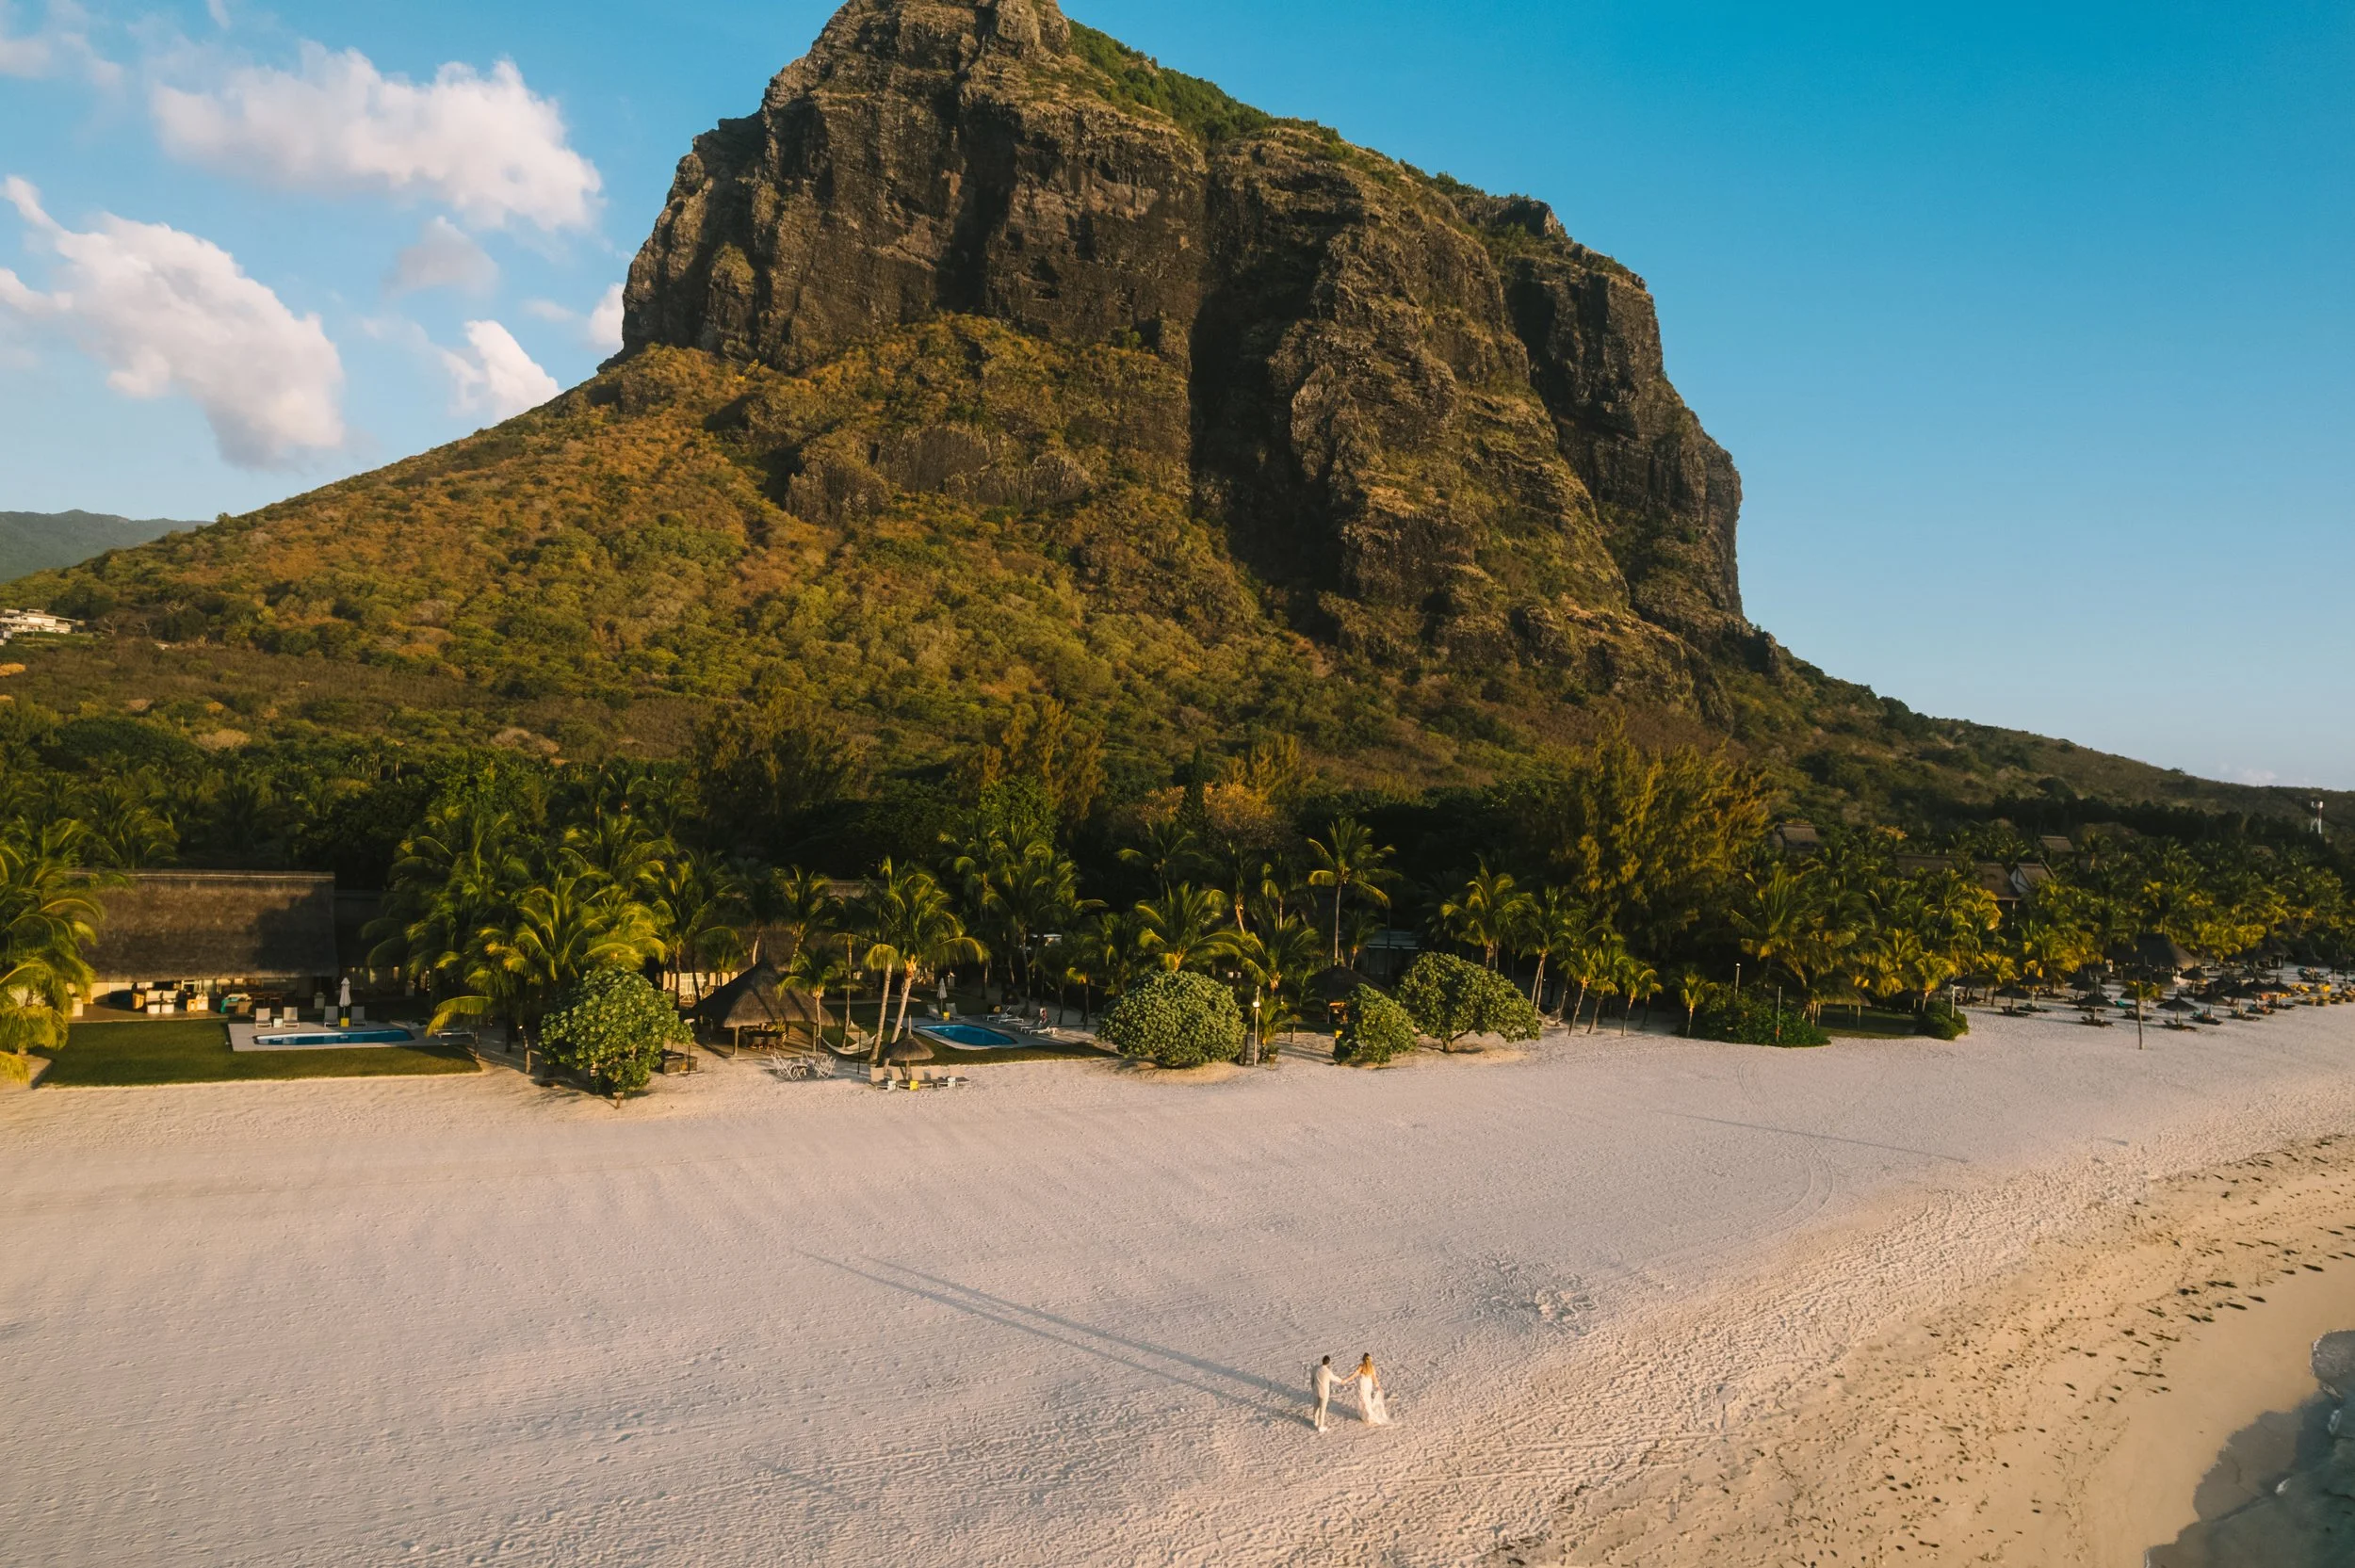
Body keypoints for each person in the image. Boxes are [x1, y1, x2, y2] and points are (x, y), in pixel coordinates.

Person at [1354, 1353, 1391, 1425]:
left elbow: (1354, 1375)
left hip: (1363, 1385)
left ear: (1363, 1359)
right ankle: (1367, 1415)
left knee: (1362, 1400)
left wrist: (1345, 1380)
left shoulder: (1361, 1366)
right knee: (1367, 1400)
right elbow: (1374, 1378)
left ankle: (1367, 1416)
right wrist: (1378, 1387)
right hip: (1368, 1385)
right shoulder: (1372, 1367)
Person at [1311, 1355, 1337, 1432]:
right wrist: (1342, 1381)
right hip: (1324, 1393)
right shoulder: (1328, 1372)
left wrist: (1313, 1387)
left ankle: (1315, 1421)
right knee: (1322, 1409)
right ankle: (1321, 1426)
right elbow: (1335, 1378)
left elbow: (1312, 1379)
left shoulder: (1315, 1368)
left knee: (1316, 1406)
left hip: (1316, 1390)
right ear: (1328, 1363)